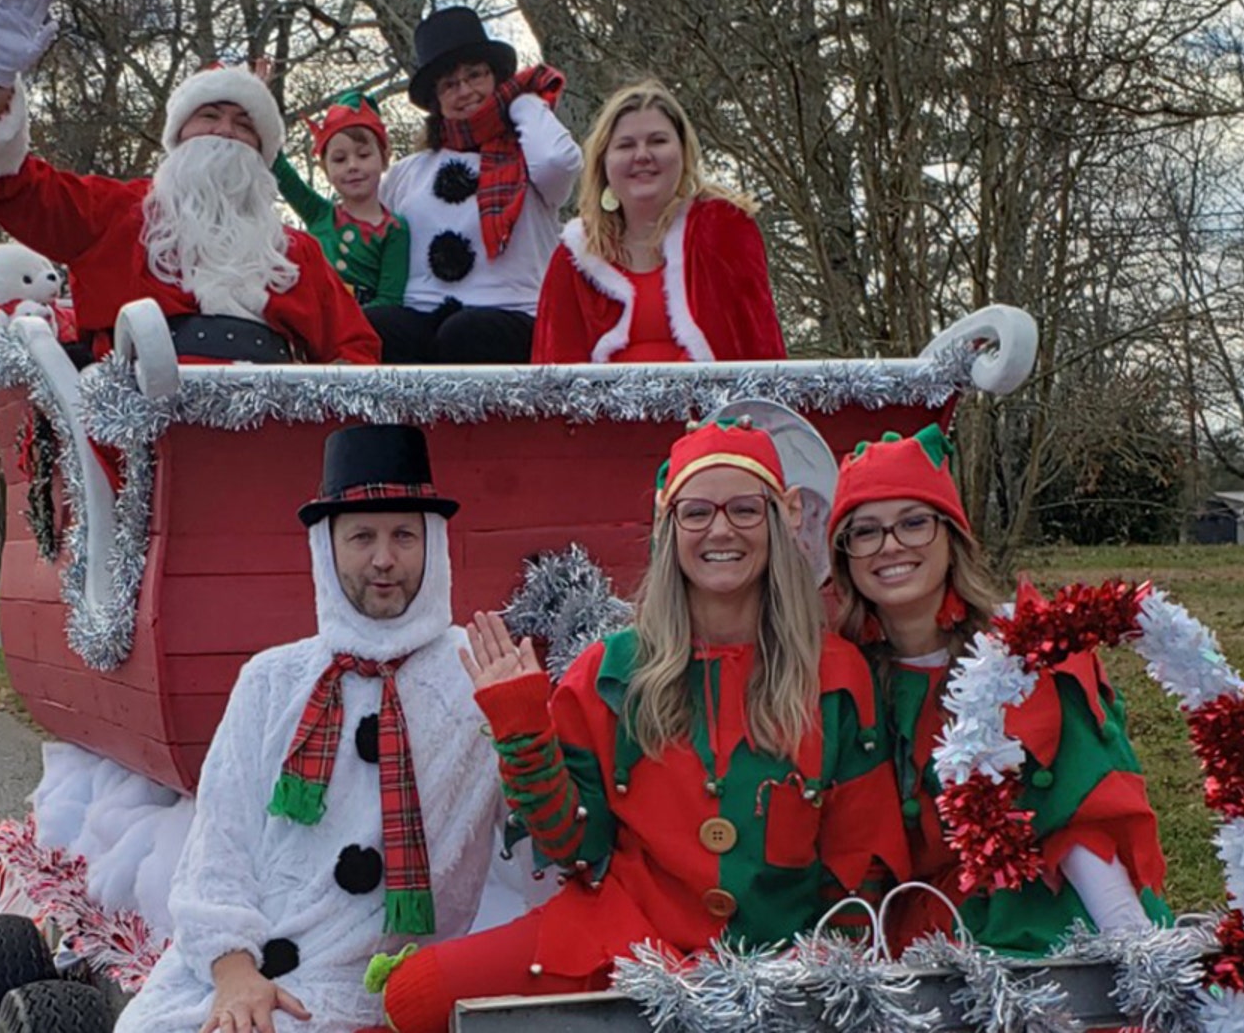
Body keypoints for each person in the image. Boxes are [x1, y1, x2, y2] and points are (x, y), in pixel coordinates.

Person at [367, 420, 909, 1032]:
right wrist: (521, 731)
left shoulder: (835, 674)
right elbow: (575, 845)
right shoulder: (613, 669)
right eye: (697, 512)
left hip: (778, 957)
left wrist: (828, 960)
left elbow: (861, 862)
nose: (721, 530)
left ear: (780, 521)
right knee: (413, 996)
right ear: (670, 528)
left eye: (743, 509)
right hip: (624, 940)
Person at [113, 425, 512, 1033]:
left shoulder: (475, 676)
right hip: (231, 970)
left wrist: (523, 717)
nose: (384, 559)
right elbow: (219, 845)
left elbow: (552, 826)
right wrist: (233, 970)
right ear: (327, 550)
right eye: (361, 538)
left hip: (367, 982)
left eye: (404, 535)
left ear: (434, 546)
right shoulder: (273, 680)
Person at [827, 427, 1172, 955]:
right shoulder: (845, 679)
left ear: (951, 537)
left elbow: (1084, 822)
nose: (891, 545)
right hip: (927, 938)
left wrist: (1134, 956)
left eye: (914, 523)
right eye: (865, 531)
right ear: (845, 555)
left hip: (1052, 926)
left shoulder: (1028, 658)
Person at [0, 0, 380, 364]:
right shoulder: (115, 213)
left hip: (269, 436)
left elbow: (356, 349)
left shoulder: (294, 253)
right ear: (178, 139)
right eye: (209, 117)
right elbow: (12, 189)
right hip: (136, 428)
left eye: (244, 124)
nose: (225, 132)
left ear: (263, 153)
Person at [374, 6, 582, 364]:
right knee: (376, 327)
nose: (466, 90)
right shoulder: (406, 174)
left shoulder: (528, 159)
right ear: (436, 100)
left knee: (466, 332)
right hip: (425, 318)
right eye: (450, 85)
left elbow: (558, 162)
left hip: (510, 317)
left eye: (476, 76)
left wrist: (523, 103)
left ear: (498, 80)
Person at [532, 81, 784, 364]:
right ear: (604, 162)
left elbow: (762, 352)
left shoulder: (725, 230)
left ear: (683, 152)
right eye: (626, 145)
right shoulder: (573, 257)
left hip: (714, 409)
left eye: (658, 141)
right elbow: (551, 384)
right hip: (609, 408)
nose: (642, 155)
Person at [272, 89, 411, 311]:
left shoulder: (394, 230)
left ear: (384, 159)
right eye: (339, 159)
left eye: (363, 155)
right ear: (326, 169)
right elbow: (278, 167)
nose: (352, 166)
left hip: (360, 327)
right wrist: (260, 105)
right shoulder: (319, 213)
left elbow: (390, 300)